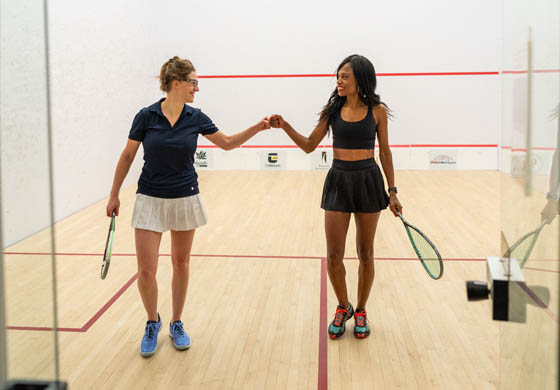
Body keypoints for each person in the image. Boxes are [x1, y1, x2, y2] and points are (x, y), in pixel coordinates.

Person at [106, 56, 270, 357]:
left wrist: (257, 128)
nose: (197, 87)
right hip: (150, 199)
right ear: (176, 84)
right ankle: (152, 321)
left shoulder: (196, 117)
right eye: (193, 82)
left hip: (184, 197)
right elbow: (128, 155)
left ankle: (176, 323)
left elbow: (228, 143)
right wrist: (114, 194)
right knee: (146, 271)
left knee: (181, 264)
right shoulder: (145, 116)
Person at [270, 54, 402, 339]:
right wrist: (286, 126)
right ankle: (343, 306)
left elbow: (386, 152)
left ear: (360, 80)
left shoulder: (377, 111)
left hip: (368, 180)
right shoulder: (331, 111)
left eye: (345, 76)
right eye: (338, 76)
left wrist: (392, 191)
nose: (339, 81)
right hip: (339, 181)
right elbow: (308, 145)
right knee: (333, 255)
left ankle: (362, 310)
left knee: (366, 252)